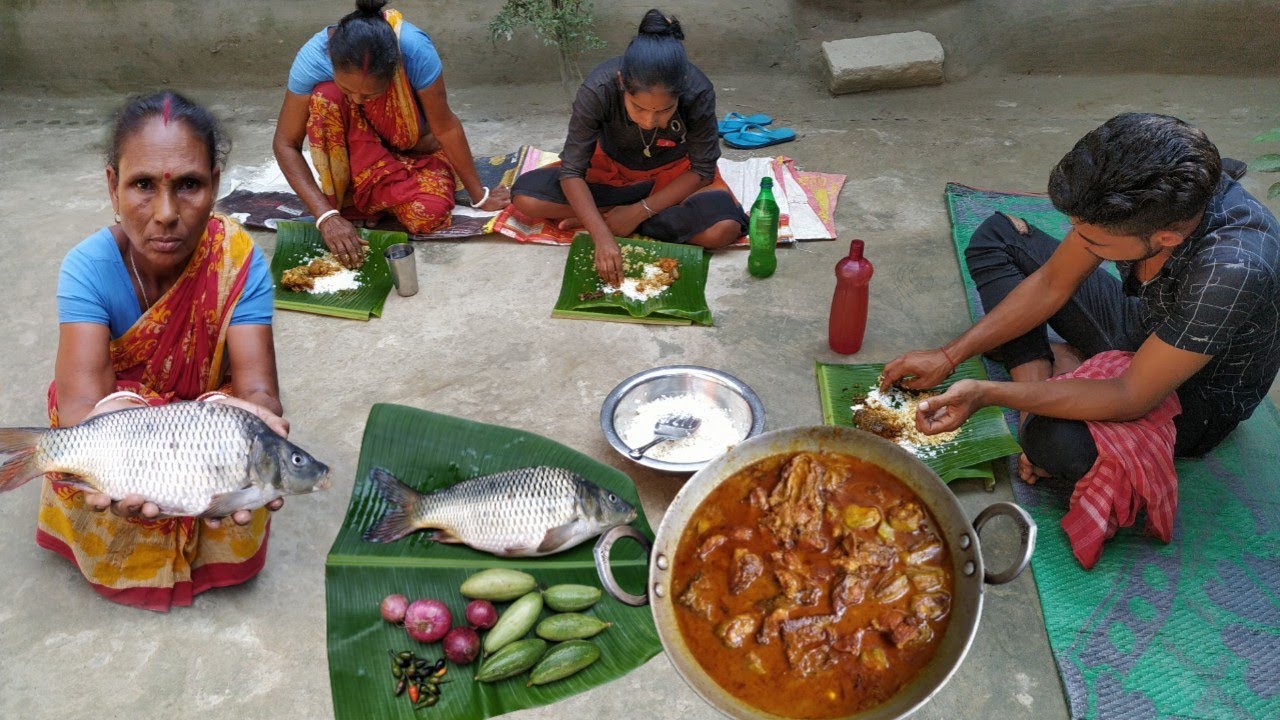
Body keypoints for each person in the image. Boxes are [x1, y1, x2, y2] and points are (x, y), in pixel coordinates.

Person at [882, 112, 1280, 483]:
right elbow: (1052, 282)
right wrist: (949, 356)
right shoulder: (1166, 193)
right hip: (1143, 320)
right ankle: (1045, 375)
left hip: (1188, 393)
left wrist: (986, 394)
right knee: (1000, 236)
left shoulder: (1231, 270)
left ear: (1166, 238)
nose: (1078, 242)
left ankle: (1056, 384)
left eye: (1092, 241)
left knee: (1054, 443)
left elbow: (1130, 395)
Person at [40, 91, 289, 612]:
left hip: (207, 424)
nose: (167, 213)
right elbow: (83, 403)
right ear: (112, 185)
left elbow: (257, 390)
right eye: (142, 185)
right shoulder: (87, 268)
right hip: (123, 428)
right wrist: (127, 444)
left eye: (189, 185)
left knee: (248, 461)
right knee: (77, 449)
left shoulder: (237, 260)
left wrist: (243, 418)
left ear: (215, 184)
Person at [510, 9, 748, 286]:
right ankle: (616, 216)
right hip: (609, 172)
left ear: (681, 90)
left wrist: (639, 211)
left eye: (664, 110)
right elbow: (572, 171)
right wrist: (602, 237)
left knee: (721, 231)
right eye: (638, 108)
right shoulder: (598, 89)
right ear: (622, 82)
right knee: (526, 198)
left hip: (675, 177)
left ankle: (617, 216)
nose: (649, 121)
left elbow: (702, 171)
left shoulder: (698, 91)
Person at [273, 0, 510, 268]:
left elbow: (445, 127)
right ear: (330, 58)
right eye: (349, 89)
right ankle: (356, 199)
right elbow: (285, 143)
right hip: (358, 155)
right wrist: (325, 216)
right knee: (326, 97)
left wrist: (480, 196)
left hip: (416, 153)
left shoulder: (413, 49)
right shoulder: (313, 58)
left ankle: (368, 202)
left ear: (394, 69)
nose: (358, 100)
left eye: (371, 94)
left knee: (428, 213)